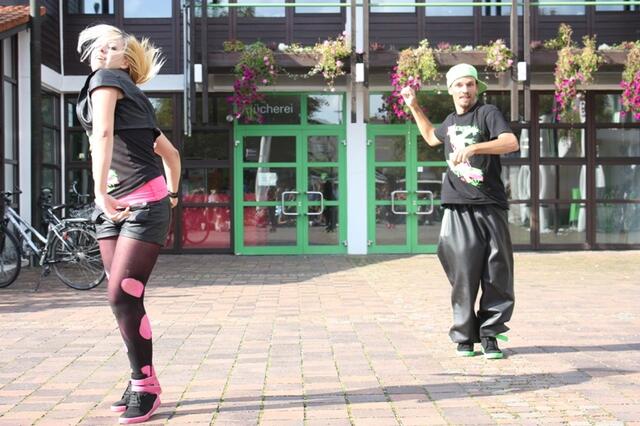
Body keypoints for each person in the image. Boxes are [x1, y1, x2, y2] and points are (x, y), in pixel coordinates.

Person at [76, 24, 181, 423]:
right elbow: (171, 154)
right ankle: (141, 377)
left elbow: (102, 134)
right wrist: (173, 193)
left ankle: (145, 386)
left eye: (115, 47)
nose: (105, 53)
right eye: (98, 47)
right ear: (88, 51)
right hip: (118, 207)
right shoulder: (132, 96)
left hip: (138, 206)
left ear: (125, 57)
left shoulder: (107, 80)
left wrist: (99, 191)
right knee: (123, 300)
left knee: (122, 295)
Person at [401, 63, 519, 359]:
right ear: (451, 89)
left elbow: (510, 142)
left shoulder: (488, 113)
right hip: (456, 205)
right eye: (459, 85)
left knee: (496, 273)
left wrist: (475, 148)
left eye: (470, 84)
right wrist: (413, 105)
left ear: (476, 88)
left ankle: (490, 335)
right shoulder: (450, 121)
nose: (465, 89)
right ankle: (465, 336)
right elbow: (431, 137)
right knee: (463, 273)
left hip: (490, 204)